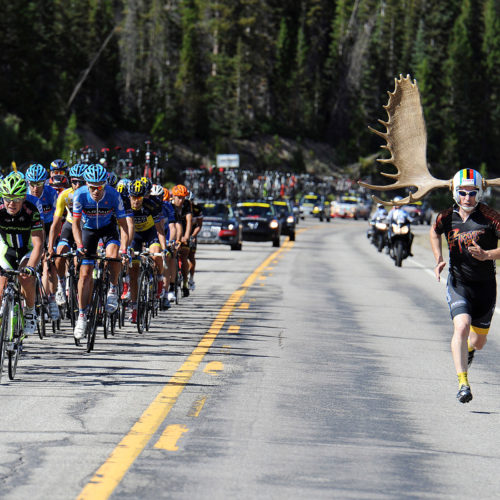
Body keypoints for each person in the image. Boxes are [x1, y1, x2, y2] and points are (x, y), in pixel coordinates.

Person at [430, 168, 500, 404]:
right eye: (462, 192)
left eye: (472, 193)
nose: (467, 198)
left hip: (486, 288)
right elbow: (434, 231)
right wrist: (439, 258)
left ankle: (469, 351)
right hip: (459, 283)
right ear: (455, 193)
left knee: (478, 342)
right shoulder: (446, 216)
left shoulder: (492, 218)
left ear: (479, 193)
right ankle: (463, 383)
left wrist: (488, 254)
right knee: (461, 327)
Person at [72, 164, 129, 340]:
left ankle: (113, 288)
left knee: (113, 256)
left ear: (105, 185)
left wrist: (125, 249)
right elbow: (75, 224)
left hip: (108, 228)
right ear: (87, 185)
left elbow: (124, 226)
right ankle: (81, 316)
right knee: (85, 275)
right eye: (92, 187)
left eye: (100, 187)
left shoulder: (113, 195)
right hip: (88, 230)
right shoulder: (80, 194)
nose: (96, 191)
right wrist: (80, 246)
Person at [0, 173, 44, 335]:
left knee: (25, 277)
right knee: (0, 287)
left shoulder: (31, 211)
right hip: (7, 250)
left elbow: (39, 243)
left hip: (28, 250)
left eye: (17, 199)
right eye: (7, 199)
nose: (12, 203)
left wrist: (31, 267)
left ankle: (30, 312)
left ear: (23, 198)